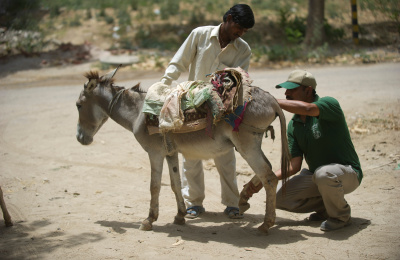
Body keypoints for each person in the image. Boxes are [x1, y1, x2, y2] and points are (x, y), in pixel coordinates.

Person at [160, 4, 255, 219]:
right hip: (191, 103)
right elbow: (179, 61)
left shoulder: (243, 49)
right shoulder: (199, 35)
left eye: (244, 32)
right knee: (190, 154)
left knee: (225, 155)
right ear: (228, 18)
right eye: (238, 28)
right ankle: (194, 203)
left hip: (222, 107)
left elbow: (239, 80)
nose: (240, 34)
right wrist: (164, 84)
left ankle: (232, 204)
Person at [239, 69, 363, 231]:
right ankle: (326, 207)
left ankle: (340, 216)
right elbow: (294, 165)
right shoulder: (294, 125)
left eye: (292, 89)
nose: (287, 93)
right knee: (280, 198)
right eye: (286, 89)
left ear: (308, 90)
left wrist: (269, 101)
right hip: (318, 177)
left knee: (324, 174)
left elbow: (308, 109)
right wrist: (264, 179)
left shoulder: (329, 104)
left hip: (348, 173)